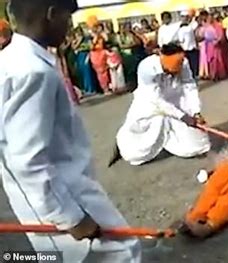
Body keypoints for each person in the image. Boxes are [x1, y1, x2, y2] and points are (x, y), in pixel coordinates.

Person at [0, 0, 141, 261]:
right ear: (52, 15)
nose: (70, 25)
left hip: (59, 187)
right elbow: (27, 160)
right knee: (120, 253)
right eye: (68, 17)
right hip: (61, 194)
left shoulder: (12, 59)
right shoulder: (33, 72)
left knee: (122, 248)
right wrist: (71, 217)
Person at [114, 44, 211, 166]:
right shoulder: (146, 67)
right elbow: (157, 100)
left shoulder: (183, 62)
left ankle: (172, 142)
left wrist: (195, 111)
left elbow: (189, 85)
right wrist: (182, 117)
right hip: (151, 105)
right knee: (136, 151)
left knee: (198, 145)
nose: (173, 74)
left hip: (175, 99)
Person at [72, 26, 97, 95]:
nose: (78, 34)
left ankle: (90, 89)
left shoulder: (87, 38)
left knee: (87, 72)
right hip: (79, 55)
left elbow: (91, 47)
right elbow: (74, 47)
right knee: (82, 72)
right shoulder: (75, 40)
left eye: (79, 32)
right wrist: (78, 41)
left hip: (86, 54)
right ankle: (85, 88)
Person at [90, 23, 111, 94]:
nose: (99, 29)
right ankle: (104, 88)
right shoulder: (92, 36)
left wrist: (103, 34)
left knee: (106, 71)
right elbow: (91, 47)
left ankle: (108, 86)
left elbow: (107, 40)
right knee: (100, 72)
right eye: (98, 28)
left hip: (103, 53)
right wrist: (95, 38)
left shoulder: (102, 35)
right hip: (96, 55)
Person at [179, 10, 200, 79]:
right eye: (183, 17)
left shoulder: (190, 26)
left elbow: (181, 40)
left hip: (191, 49)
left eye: (186, 17)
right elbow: (181, 40)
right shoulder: (183, 28)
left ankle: (193, 78)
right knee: (190, 66)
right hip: (187, 50)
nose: (184, 18)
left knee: (193, 66)